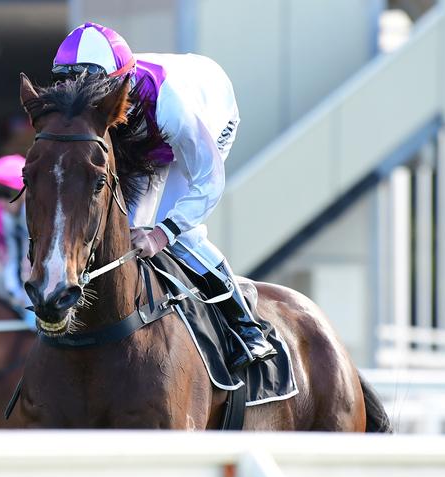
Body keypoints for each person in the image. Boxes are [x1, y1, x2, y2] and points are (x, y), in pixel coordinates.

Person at [50, 22, 276, 368]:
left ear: (116, 84)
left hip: (209, 116)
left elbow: (209, 180)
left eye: (90, 92)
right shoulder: (103, 91)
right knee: (124, 232)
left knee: (172, 230)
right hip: (143, 140)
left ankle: (245, 324)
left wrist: (162, 234)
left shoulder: (172, 106)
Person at [0, 155, 34, 324]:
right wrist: (14, 291)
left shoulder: (35, 214)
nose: (0, 203)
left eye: (5, 194)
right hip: (23, 298)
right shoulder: (8, 218)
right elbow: (13, 255)